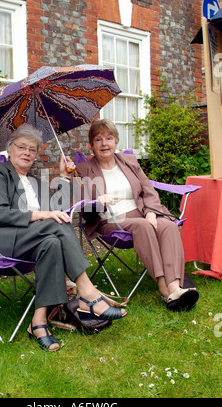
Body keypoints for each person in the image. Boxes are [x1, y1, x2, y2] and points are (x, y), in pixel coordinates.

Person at [0, 124, 127, 352]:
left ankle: (38, 322)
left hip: (28, 242)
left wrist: (63, 176)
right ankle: (88, 292)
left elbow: (58, 208)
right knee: (54, 223)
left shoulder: (35, 182)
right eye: (22, 147)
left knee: (52, 241)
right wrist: (42, 214)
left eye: (32, 149)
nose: (27, 152)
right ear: (10, 150)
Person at [75, 118, 199, 311]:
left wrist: (150, 212)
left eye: (109, 138)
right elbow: (84, 210)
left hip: (140, 212)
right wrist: (97, 203)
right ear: (91, 145)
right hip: (110, 220)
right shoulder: (83, 170)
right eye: (98, 140)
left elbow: (148, 189)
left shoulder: (129, 162)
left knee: (167, 225)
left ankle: (175, 286)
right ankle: (164, 287)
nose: (104, 144)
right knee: (142, 226)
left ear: (116, 141)